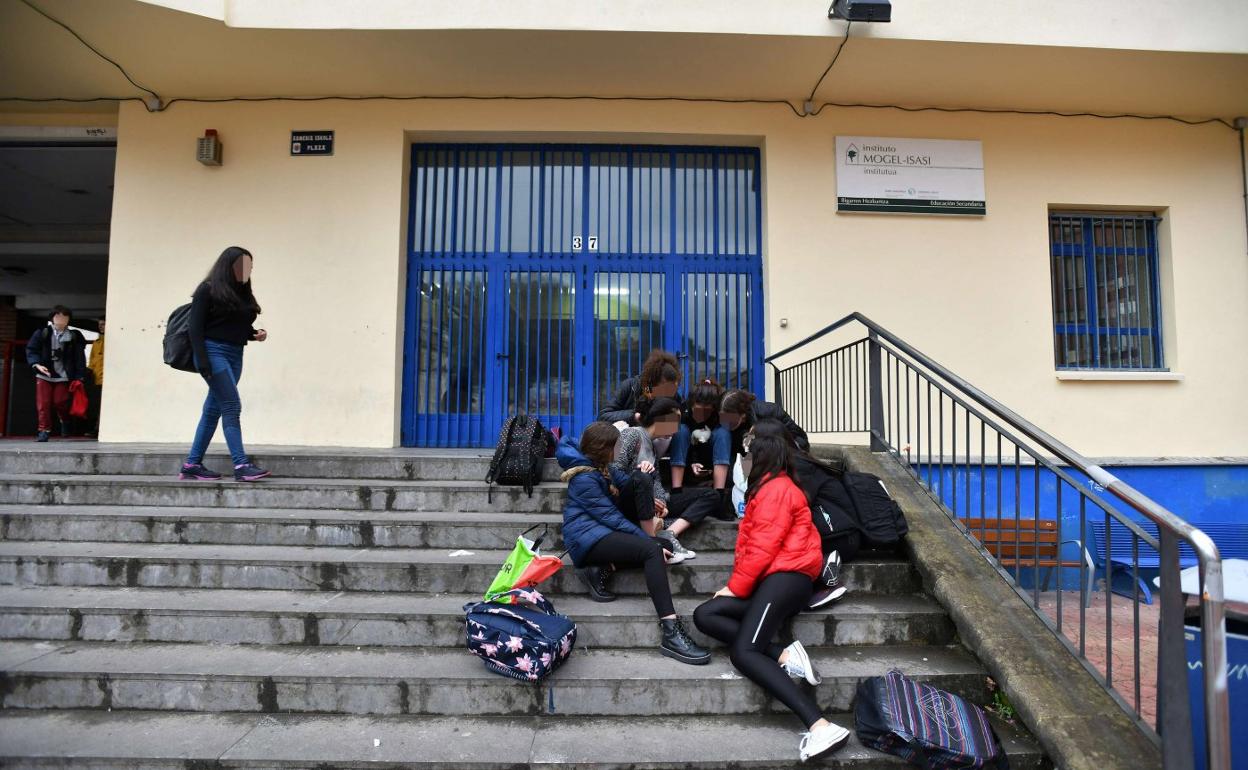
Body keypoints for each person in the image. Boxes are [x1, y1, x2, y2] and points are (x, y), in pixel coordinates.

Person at [693, 423, 851, 762]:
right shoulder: (768, 488)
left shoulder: (776, 490)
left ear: (762, 457)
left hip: (787, 578)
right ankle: (783, 654)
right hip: (774, 578)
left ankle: (821, 725)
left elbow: (762, 548)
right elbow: (754, 549)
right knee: (706, 614)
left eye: (748, 455)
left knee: (744, 653)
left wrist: (734, 587)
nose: (744, 461)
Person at [556, 422, 710, 665]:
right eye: (617, 445)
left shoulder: (602, 467)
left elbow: (629, 485)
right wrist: (649, 541)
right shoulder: (584, 477)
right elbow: (612, 518)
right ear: (604, 448)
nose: (620, 448)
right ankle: (670, 630)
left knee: (665, 547)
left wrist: (645, 480)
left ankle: (602, 569)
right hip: (585, 541)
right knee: (652, 549)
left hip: (602, 533)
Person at [179, 246, 271, 482]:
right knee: (231, 405)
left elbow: (232, 324)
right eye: (242, 265)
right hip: (212, 352)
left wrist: (254, 334)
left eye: (250, 266)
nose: (247, 270)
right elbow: (196, 328)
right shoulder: (207, 289)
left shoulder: (241, 292)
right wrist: (203, 361)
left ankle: (192, 464)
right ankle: (241, 465)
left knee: (212, 410)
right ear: (227, 265)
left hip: (235, 354)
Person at [752, 419, 861, 609]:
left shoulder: (797, 466)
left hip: (840, 536)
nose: (748, 444)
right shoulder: (788, 461)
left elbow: (790, 512)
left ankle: (821, 578)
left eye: (752, 439)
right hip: (834, 532)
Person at [611, 397, 722, 563]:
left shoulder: (653, 447)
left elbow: (656, 482)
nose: (677, 428)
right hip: (630, 503)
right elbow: (614, 470)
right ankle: (655, 543)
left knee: (711, 495)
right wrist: (649, 498)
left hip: (651, 505)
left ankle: (669, 533)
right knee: (642, 476)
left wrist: (661, 503)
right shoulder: (631, 434)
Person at [25, 305, 87, 442]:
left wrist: (79, 376)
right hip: (44, 374)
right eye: (58, 316)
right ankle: (43, 430)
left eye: (64, 317)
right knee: (43, 403)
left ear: (69, 319)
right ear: (52, 318)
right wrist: (36, 364)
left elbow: (79, 357)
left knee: (61, 402)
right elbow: (31, 349)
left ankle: (65, 420)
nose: (61, 319)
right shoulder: (42, 332)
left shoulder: (73, 336)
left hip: (63, 375)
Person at [668, 378, 729, 493]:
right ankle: (676, 489)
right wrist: (692, 462)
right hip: (687, 461)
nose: (701, 414)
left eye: (706, 411)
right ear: (691, 405)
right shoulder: (683, 411)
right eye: (698, 410)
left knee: (723, 433)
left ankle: (719, 491)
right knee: (680, 430)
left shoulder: (721, 415)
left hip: (712, 461)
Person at [597, 348, 682, 425]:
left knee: (681, 430)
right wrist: (635, 415)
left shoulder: (673, 394)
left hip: (660, 435)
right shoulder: (631, 386)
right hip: (631, 433)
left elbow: (681, 419)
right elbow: (603, 417)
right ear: (652, 382)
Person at [86, 318, 105, 436]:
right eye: (99, 324)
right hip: (98, 379)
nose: (101, 326)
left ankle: (98, 429)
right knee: (98, 406)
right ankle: (97, 429)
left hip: (108, 379)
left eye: (103, 324)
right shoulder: (97, 343)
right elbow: (92, 361)